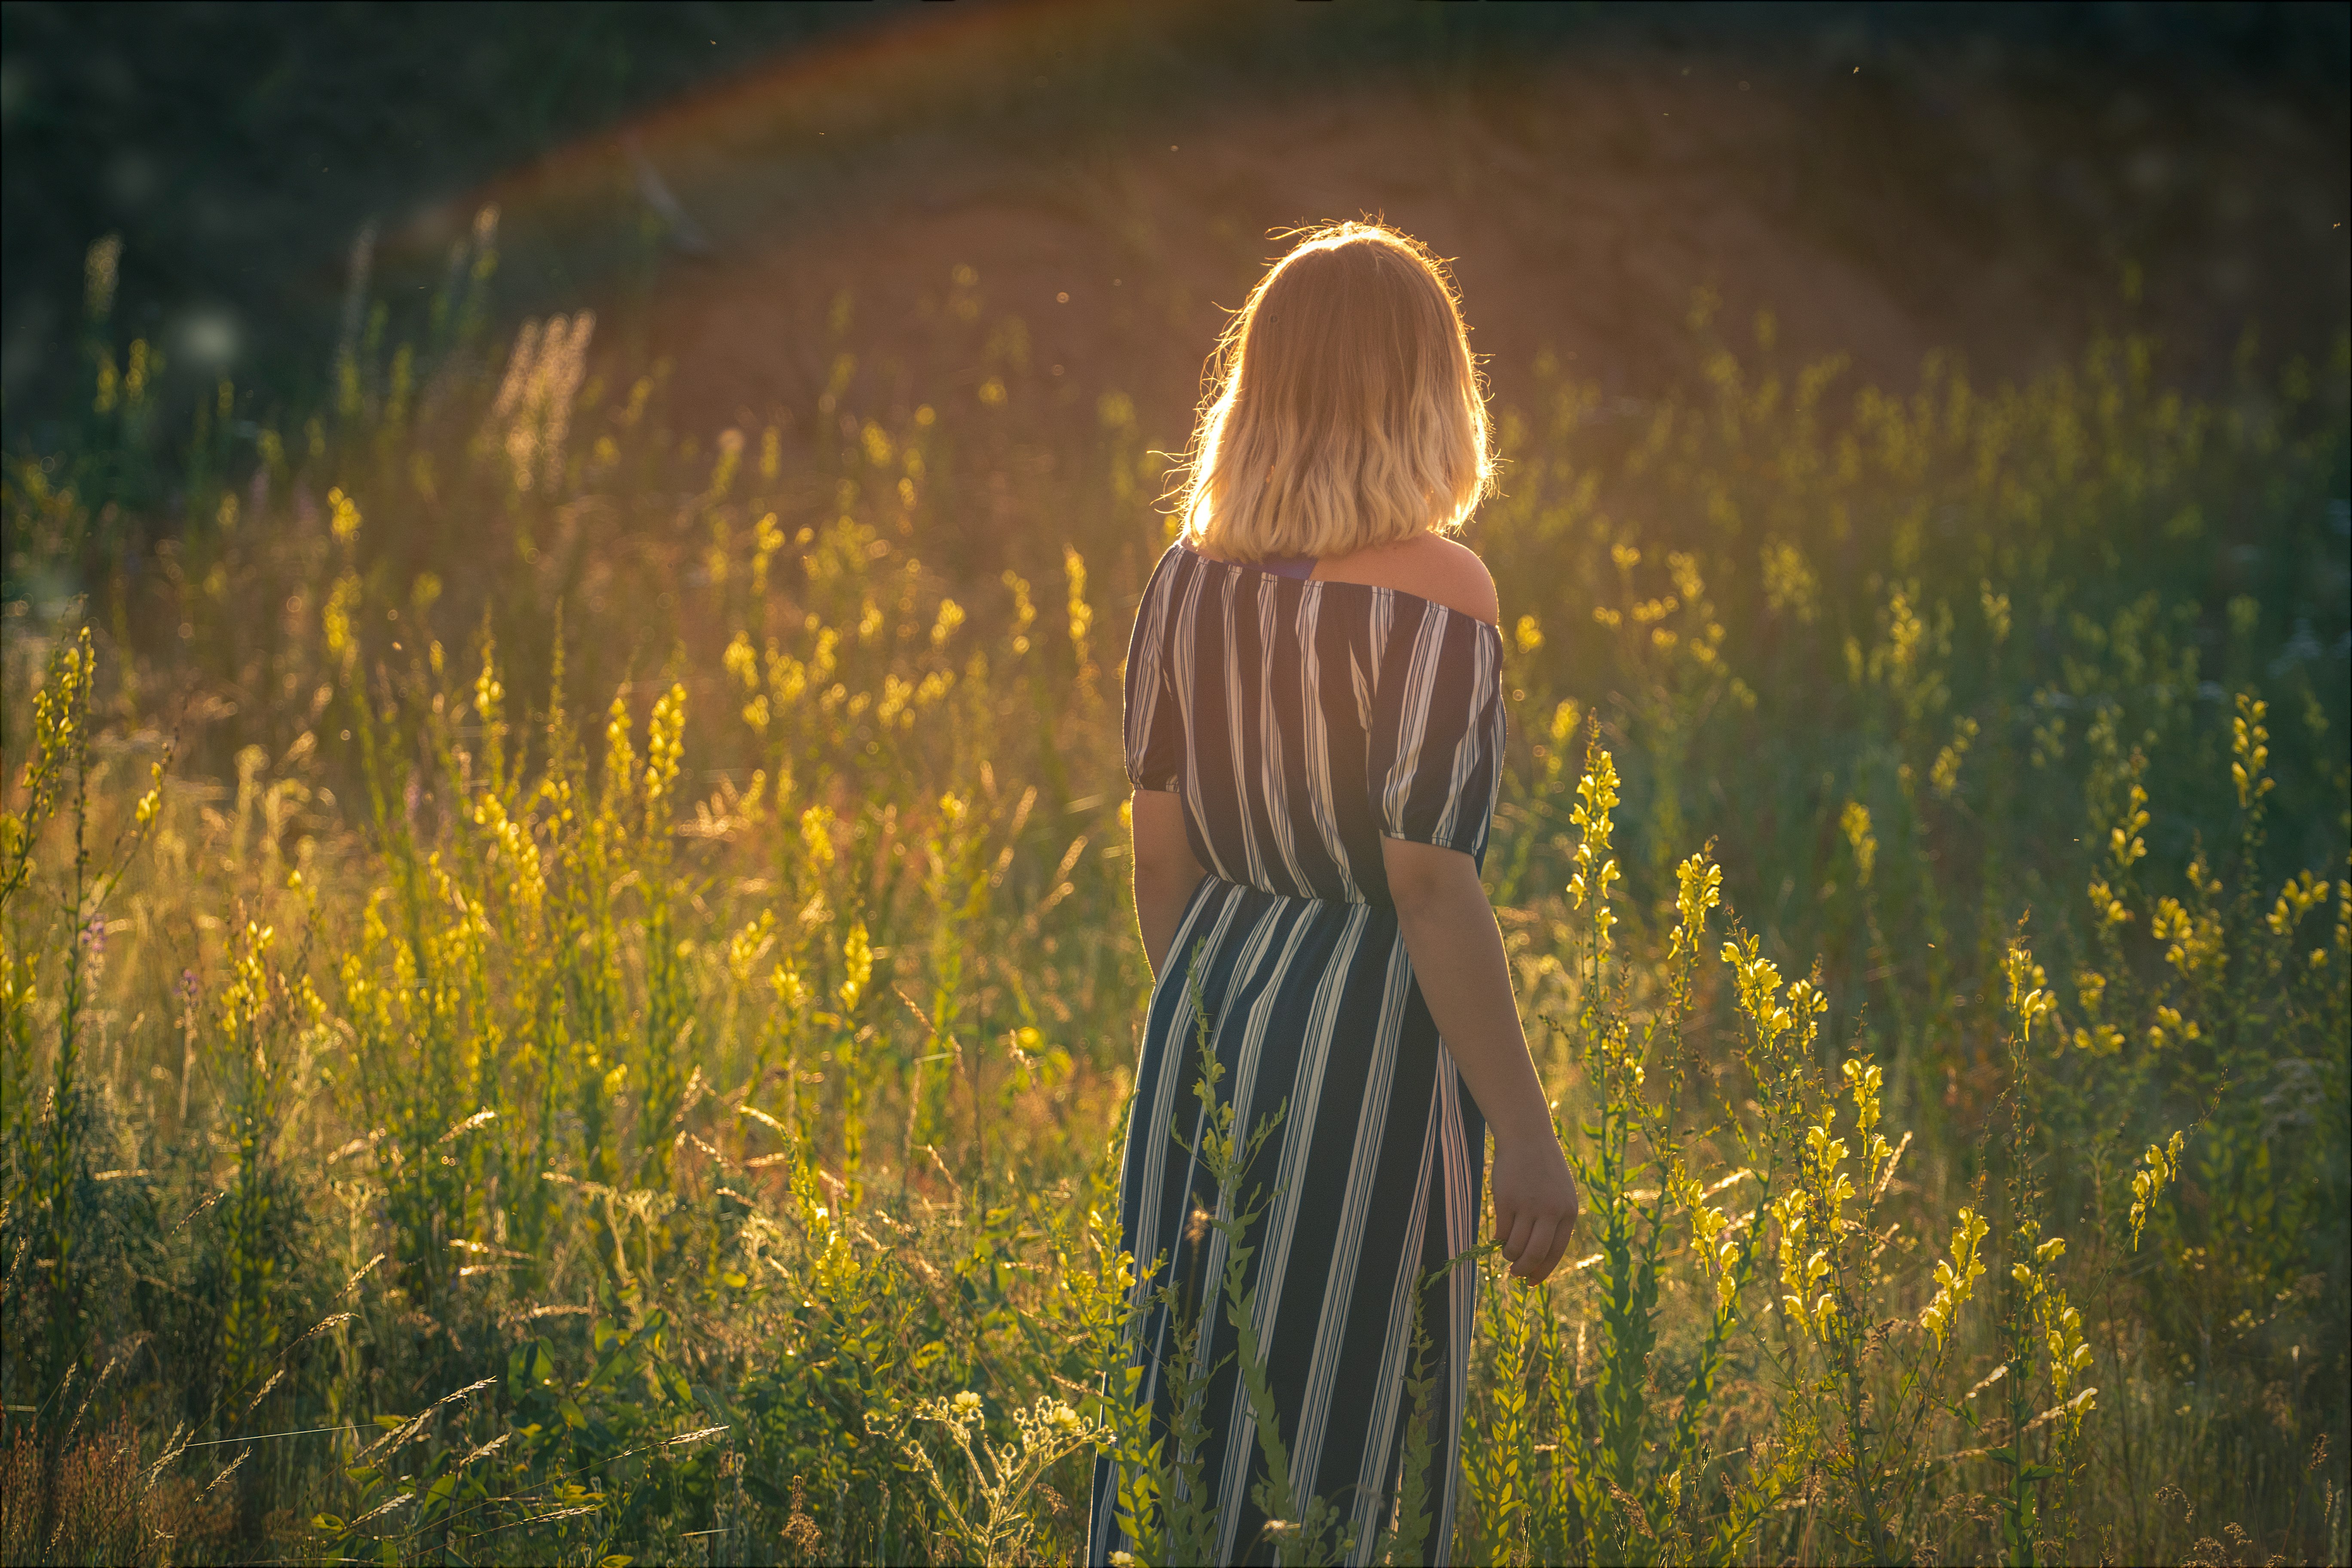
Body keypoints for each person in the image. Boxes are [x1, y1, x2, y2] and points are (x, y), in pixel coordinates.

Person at [1087, 221, 1580, 1567]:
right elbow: (1428, 887)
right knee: (1348, 1405)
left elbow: (1157, 856)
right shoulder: (1445, 594)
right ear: (1426, 390)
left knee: (1181, 1388)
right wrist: (1525, 1135)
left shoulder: (1182, 581)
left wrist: (1207, 1018)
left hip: (1203, 1002)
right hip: (1368, 1028)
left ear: (1261, 389)